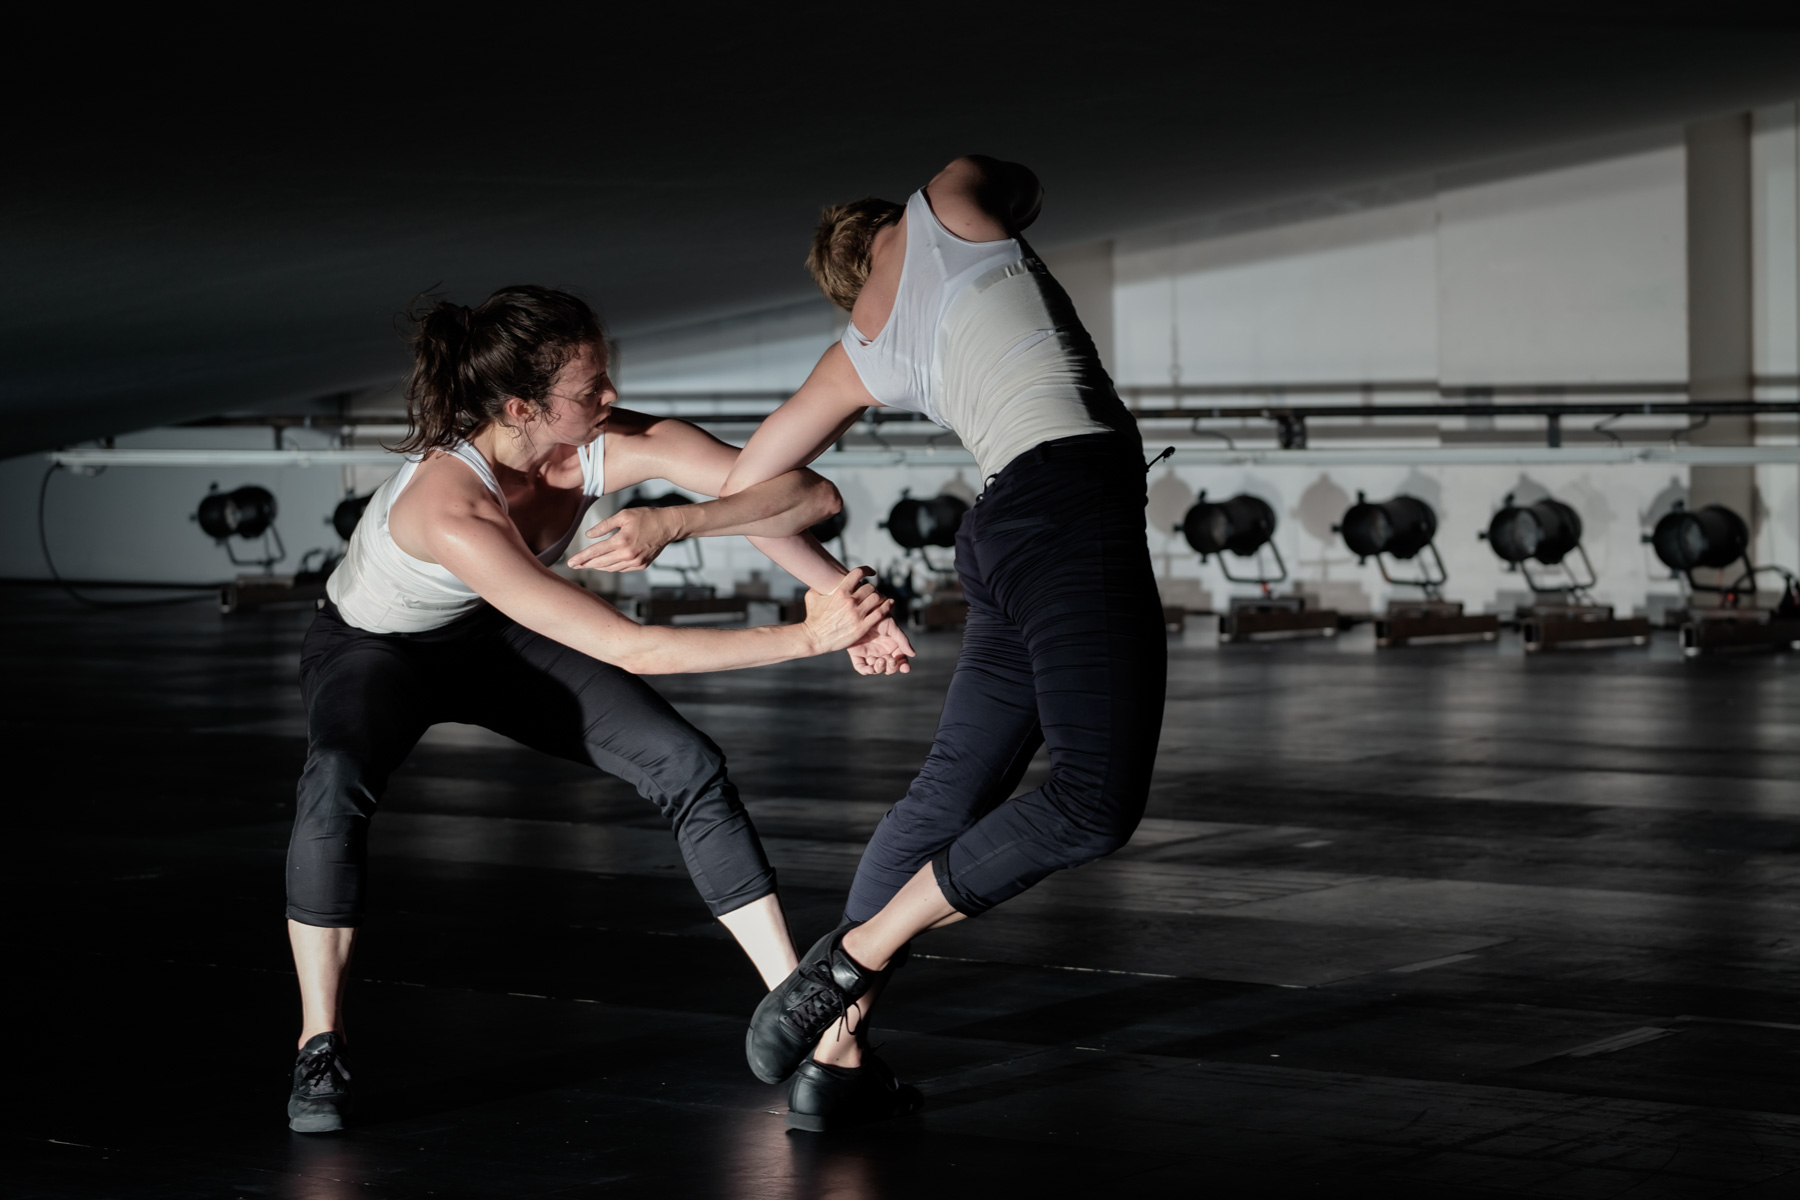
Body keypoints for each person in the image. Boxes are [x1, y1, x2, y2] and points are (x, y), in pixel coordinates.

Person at [285, 285, 913, 1132]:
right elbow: (634, 648)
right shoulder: (450, 507)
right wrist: (812, 635)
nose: (612, 396)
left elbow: (809, 495)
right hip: (373, 651)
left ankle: (811, 1024)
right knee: (334, 779)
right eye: (591, 389)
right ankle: (318, 1043)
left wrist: (694, 528)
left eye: (606, 375)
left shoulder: (602, 443)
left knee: (687, 764)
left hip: (488, 637)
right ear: (521, 409)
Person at [725, 157, 1167, 1130]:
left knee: (944, 799)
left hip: (1002, 530)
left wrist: (836, 591)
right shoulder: (950, 195)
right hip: (1071, 514)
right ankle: (850, 959)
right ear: (893, 222)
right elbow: (1025, 185)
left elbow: (744, 496)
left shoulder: (862, 351)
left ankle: (835, 1060)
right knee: (1094, 803)